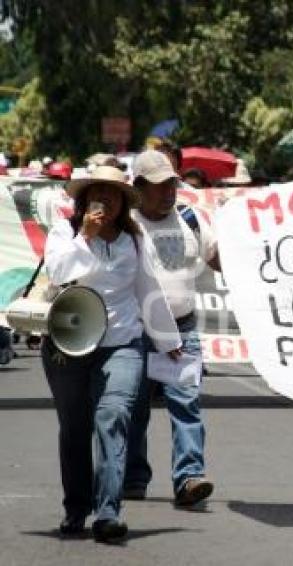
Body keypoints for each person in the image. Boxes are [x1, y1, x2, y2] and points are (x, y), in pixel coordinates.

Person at [42, 165, 181, 542]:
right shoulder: (65, 232)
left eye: (113, 195)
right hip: (68, 345)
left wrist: (169, 341)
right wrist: (85, 236)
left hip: (122, 342)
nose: (105, 201)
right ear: (84, 200)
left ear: (123, 203)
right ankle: (76, 509)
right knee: (74, 429)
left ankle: (108, 512)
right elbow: (57, 272)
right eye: (97, 194)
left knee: (113, 416)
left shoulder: (133, 241)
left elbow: (147, 288)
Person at [124, 150, 218, 506]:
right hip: (135, 334)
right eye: (160, 186)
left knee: (187, 405)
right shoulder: (126, 225)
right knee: (134, 409)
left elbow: (219, 258)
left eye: (172, 185)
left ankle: (190, 477)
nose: (169, 193)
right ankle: (133, 478)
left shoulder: (190, 220)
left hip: (183, 332)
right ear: (139, 187)